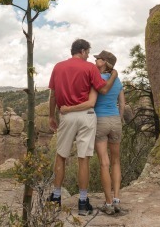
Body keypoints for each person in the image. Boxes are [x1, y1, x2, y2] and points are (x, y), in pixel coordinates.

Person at [47, 39, 118, 216]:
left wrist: (51, 115)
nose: (88, 56)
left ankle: (56, 198)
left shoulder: (58, 67)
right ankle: (83, 201)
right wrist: (114, 74)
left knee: (61, 156)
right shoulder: (89, 68)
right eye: (88, 53)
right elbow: (103, 89)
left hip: (66, 115)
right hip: (86, 115)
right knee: (83, 158)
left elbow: (53, 94)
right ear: (83, 51)